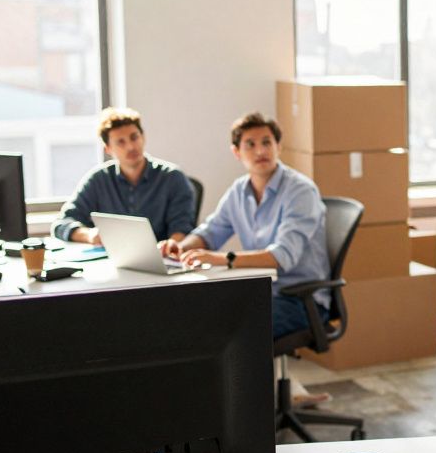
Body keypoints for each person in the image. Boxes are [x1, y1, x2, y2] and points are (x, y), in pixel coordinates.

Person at [161, 112, 331, 340]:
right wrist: (180, 247)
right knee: (195, 315)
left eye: (267, 143)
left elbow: (282, 257)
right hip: (259, 291)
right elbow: (210, 232)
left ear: (278, 147)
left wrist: (221, 259)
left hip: (299, 300)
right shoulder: (239, 191)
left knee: (228, 331)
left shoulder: (300, 191)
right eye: (250, 144)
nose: (260, 151)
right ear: (236, 152)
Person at [52, 107, 196, 245]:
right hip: (110, 258)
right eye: (120, 142)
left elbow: (183, 229)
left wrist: (171, 246)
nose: (131, 147)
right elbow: (61, 224)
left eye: (134, 137)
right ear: (108, 149)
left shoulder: (172, 178)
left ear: (143, 137)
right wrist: (90, 236)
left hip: (159, 257)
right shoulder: (98, 180)